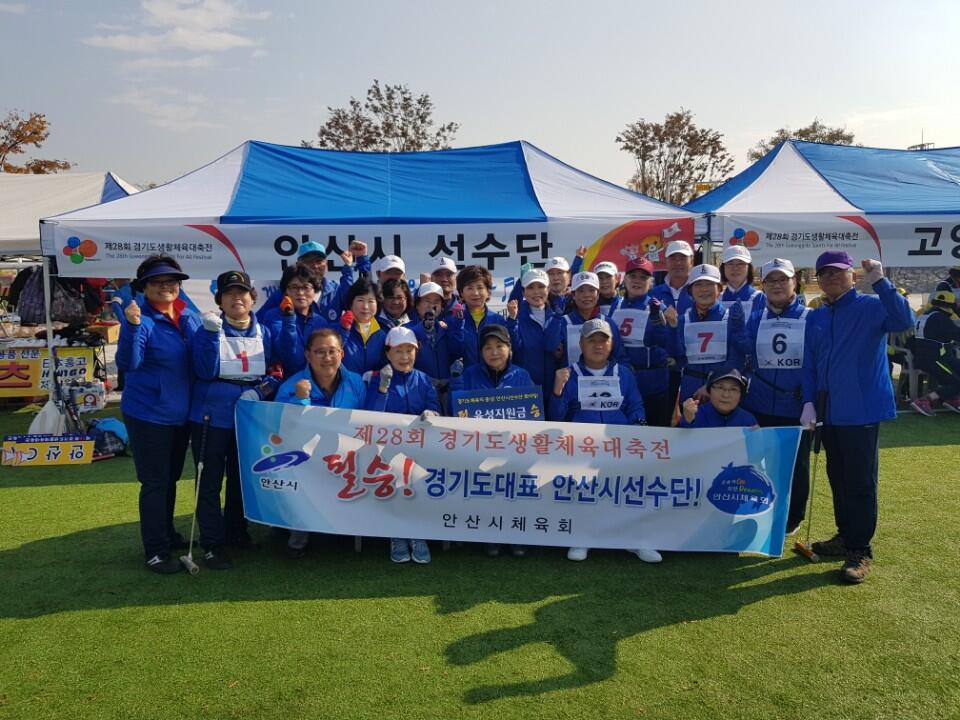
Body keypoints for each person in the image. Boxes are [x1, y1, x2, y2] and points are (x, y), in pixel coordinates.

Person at [801, 251, 914, 584]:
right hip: (829, 412)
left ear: (852, 275)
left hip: (861, 410)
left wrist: (880, 282)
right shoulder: (817, 316)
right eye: (825, 273)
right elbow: (809, 363)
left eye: (838, 272)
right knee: (838, 477)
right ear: (819, 279)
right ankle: (845, 535)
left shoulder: (871, 306)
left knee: (861, 482)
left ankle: (860, 549)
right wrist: (808, 402)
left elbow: (904, 320)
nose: (832, 277)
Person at [117, 255, 201, 574]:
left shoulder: (188, 315)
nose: (165, 287)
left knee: (170, 479)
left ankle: (167, 533)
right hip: (148, 414)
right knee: (155, 483)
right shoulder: (142, 319)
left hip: (180, 414)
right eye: (157, 282)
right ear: (143, 287)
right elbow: (129, 363)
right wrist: (132, 326)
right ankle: (155, 551)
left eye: (171, 281)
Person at [549, 318, 657, 564]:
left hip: (618, 445)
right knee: (584, 492)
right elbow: (557, 417)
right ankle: (582, 538)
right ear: (581, 344)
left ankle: (634, 540)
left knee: (625, 491)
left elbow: (636, 406)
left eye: (603, 340)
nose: (598, 345)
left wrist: (634, 433)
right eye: (592, 341)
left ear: (611, 344)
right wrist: (557, 390)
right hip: (581, 447)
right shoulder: (568, 374)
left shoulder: (624, 374)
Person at [190, 271, 278, 569]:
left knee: (241, 478)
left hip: (248, 415)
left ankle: (236, 532)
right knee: (209, 481)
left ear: (253, 298)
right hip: (211, 416)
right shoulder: (208, 328)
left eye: (242, 292)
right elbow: (203, 371)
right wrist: (208, 335)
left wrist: (260, 390)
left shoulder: (264, 332)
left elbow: (275, 371)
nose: (236, 298)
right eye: (229, 293)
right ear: (220, 300)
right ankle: (212, 544)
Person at [275, 328, 366, 557]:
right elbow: (284, 428)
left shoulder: (356, 382)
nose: (327, 358)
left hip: (346, 454)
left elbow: (369, 421)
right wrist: (301, 399)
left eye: (332, 351)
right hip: (306, 455)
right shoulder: (291, 386)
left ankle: (352, 530)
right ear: (308, 355)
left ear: (342, 354)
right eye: (320, 352)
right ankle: (298, 539)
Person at [737, 258, 811, 534]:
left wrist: (810, 399)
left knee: (794, 466)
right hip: (759, 403)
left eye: (783, 279)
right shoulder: (756, 318)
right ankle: (760, 509)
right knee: (758, 462)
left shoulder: (809, 317)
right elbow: (745, 354)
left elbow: (815, 362)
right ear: (763, 285)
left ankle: (793, 517)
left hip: (795, 406)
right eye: (771, 280)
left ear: (794, 282)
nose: (777, 285)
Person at [364, 326, 441, 564]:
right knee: (393, 485)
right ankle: (396, 534)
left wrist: (432, 414)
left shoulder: (423, 379)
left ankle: (417, 534)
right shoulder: (376, 378)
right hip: (387, 450)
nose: (404, 356)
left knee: (419, 486)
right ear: (388, 353)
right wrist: (382, 389)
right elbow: (371, 416)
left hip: (420, 449)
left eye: (410, 350)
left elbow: (436, 409)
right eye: (398, 351)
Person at [457, 324, 535, 559]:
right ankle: (491, 534)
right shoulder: (469, 375)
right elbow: (458, 413)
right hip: (481, 449)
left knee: (514, 489)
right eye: (488, 347)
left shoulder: (522, 375)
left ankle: (517, 535)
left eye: (499, 346)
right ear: (480, 352)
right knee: (488, 490)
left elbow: (534, 414)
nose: (494, 352)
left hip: (515, 449)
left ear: (509, 349)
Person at [665, 264, 745, 404]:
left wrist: (710, 385)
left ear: (719, 289)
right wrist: (672, 327)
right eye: (698, 285)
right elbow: (677, 355)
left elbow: (736, 359)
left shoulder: (730, 318)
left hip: (722, 389)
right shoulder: (683, 319)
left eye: (709, 284)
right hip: (690, 388)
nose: (704, 289)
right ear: (690, 291)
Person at [613, 257, 673, 427]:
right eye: (633, 276)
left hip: (654, 382)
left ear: (651, 282)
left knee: (655, 432)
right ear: (625, 279)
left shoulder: (658, 307)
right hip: (624, 379)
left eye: (643, 277)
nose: (637, 281)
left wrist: (659, 322)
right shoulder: (616, 306)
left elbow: (667, 343)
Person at [256, 240, 368, 324]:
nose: (315, 266)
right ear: (298, 265)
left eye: (319, 261)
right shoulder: (286, 292)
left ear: (326, 264)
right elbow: (259, 322)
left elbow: (360, 299)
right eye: (308, 261)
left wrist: (361, 259)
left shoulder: (335, 290)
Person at [650, 240, 696, 418]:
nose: (678, 263)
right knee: (662, 419)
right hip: (663, 367)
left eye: (682, 258)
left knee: (691, 420)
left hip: (693, 368)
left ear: (691, 261)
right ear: (666, 261)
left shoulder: (700, 289)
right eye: (673, 258)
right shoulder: (654, 293)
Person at [546, 271, 624, 369]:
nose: (586, 295)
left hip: (603, 378)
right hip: (572, 377)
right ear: (573, 295)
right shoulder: (562, 322)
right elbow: (551, 349)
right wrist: (556, 318)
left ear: (598, 294)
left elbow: (620, 357)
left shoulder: (608, 323)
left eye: (591, 290)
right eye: (581, 291)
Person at [260, 265, 324, 376]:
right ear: (286, 291)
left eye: (306, 287)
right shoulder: (273, 316)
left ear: (315, 291)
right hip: (284, 382)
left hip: (316, 381)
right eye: (294, 287)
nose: (300, 292)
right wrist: (288, 318)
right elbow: (288, 354)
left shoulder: (321, 321)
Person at [409, 282, 463, 411]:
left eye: (436, 302)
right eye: (427, 301)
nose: (431, 305)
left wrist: (457, 326)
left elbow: (457, 352)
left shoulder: (446, 329)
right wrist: (423, 328)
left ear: (442, 308)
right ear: (417, 305)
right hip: (420, 391)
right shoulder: (407, 330)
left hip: (447, 391)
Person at [505, 269, 557, 399]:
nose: (536, 292)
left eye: (541, 286)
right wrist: (512, 320)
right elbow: (515, 346)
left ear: (548, 289)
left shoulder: (557, 316)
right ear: (523, 292)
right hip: (525, 387)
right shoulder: (516, 318)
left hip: (554, 387)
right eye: (530, 287)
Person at [907, 290, 960, 415]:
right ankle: (925, 400)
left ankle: (951, 398)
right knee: (956, 382)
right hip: (934, 359)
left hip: (930, 357)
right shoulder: (940, 319)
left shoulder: (926, 315)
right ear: (950, 305)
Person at [455, 265, 508, 367]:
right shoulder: (454, 321)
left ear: (488, 292)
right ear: (461, 293)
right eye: (469, 288)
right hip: (466, 376)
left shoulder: (498, 321)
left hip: (493, 376)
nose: (475, 293)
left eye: (480, 288)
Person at [337, 277, 388, 376]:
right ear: (351, 303)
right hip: (345, 385)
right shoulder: (335, 331)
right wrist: (343, 331)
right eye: (360, 300)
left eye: (371, 301)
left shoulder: (382, 336)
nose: (365, 306)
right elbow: (331, 355)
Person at [678, 367, 757, 428]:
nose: (726, 395)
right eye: (720, 388)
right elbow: (680, 440)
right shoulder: (695, 415)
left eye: (733, 389)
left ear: (740, 395)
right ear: (709, 391)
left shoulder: (748, 420)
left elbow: (756, 442)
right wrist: (687, 420)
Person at [719, 245, 762, 315]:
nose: (735, 268)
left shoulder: (760, 298)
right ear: (723, 268)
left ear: (749, 268)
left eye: (740, 263)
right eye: (730, 263)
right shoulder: (717, 299)